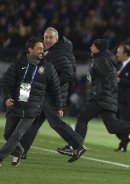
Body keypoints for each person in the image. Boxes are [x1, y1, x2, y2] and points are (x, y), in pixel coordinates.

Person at [57, 39, 130, 155]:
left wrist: (106, 92)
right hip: (105, 97)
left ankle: (75, 147)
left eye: (93, 46)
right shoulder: (101, 58)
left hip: (101, 97)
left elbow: (112, 77)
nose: (90, 48)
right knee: (112, 126)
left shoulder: (101, 60)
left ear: (98, 48)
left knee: (82, 118)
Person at [17, 27, 85, 164]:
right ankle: (21, 150)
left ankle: (78, 145)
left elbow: (68, 74)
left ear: (56, 39)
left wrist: (52, 85)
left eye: (50, 38)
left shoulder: (59, 53)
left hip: (53, 96)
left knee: (56, 123)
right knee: (33, 122)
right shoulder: (51, 52)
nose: (47, 40)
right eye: (45, 37)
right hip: (44, 95)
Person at [0, 37, 62, 166]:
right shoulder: (18, 64)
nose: (42, 51)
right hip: (16, 105)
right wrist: (7, 97)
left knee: (17, 136)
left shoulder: (48, 68)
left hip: (33, 108)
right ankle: (19, 151)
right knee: (7, 135)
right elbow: (7, 83)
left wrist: (59, 107)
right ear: (30, 49)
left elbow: (56, 89)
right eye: (39, 48)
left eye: (42, 49)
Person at [115, 44, 130, 152]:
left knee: (124, 122)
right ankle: (125, 138)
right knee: (114, 122)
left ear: (125, 54)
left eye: (119, 52)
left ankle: (123, 146)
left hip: (127, 99)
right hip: (116, 98)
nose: (117, 54)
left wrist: (120, 80)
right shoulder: (118, 65)